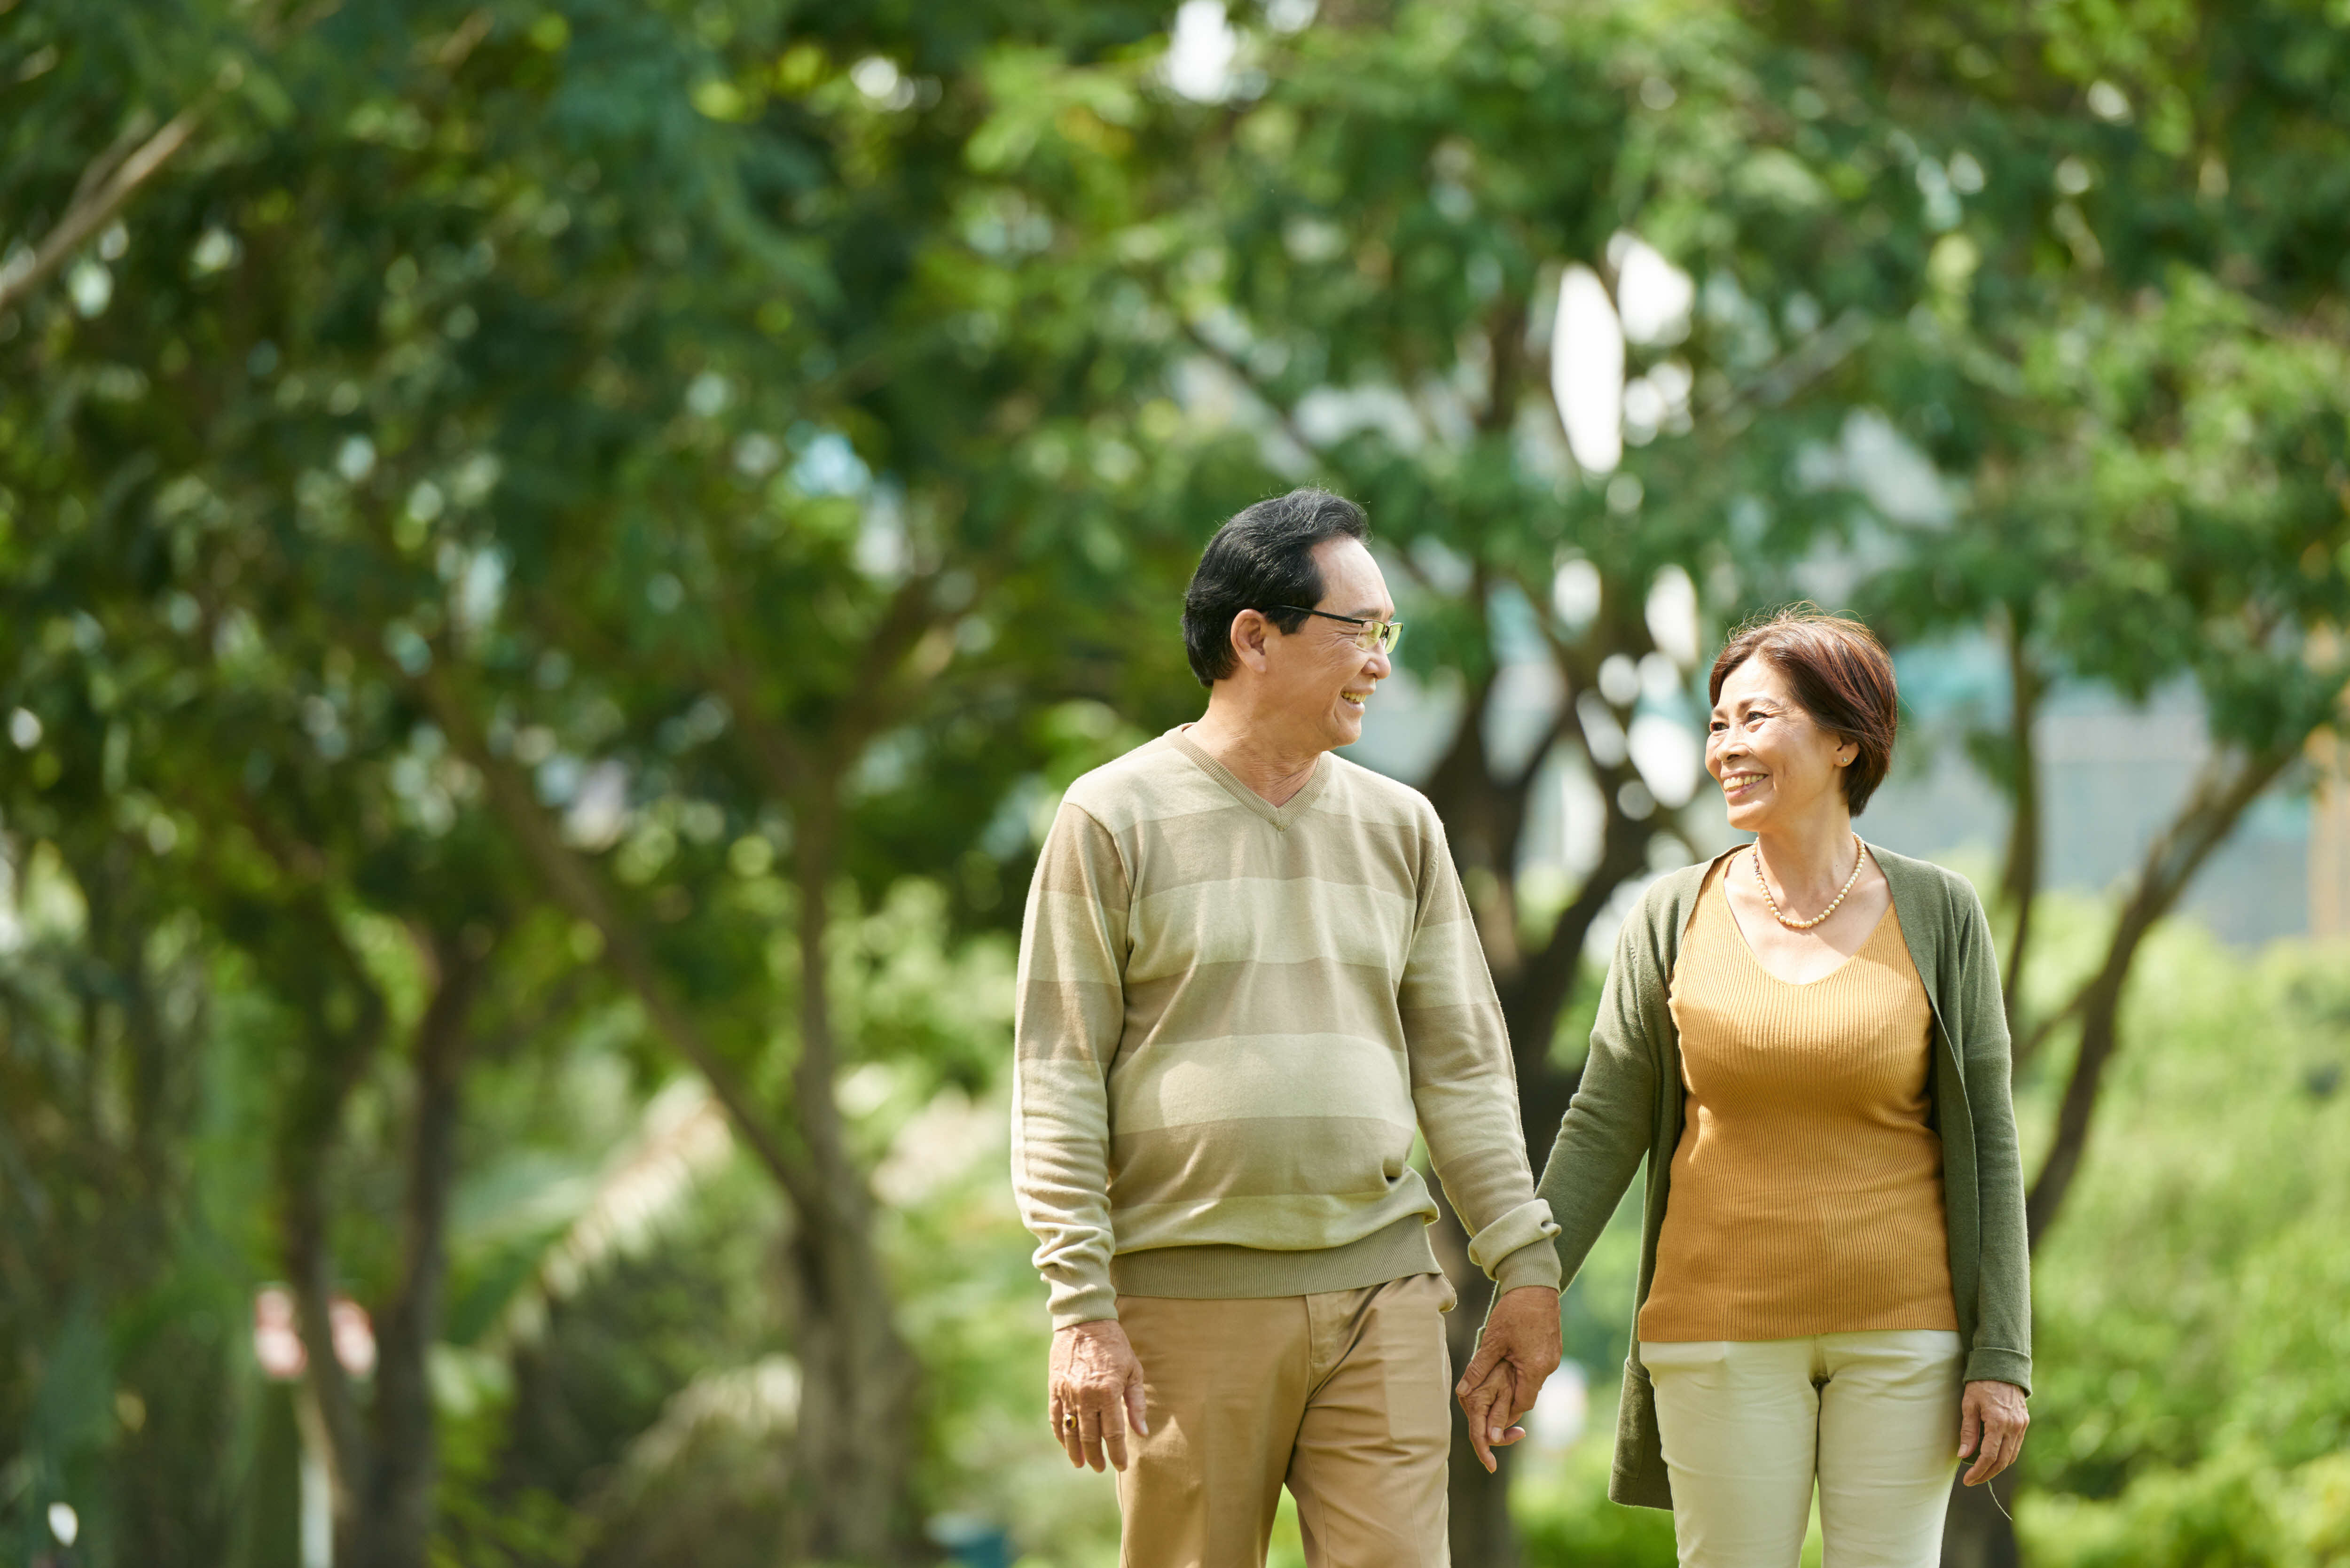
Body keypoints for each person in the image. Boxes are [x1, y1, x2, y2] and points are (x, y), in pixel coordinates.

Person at [1011, 487, 1565, 1568]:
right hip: (1183, 1301)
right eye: (1359, 631)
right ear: (1253, 637)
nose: (1381, 663)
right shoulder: (1108, 817)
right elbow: (1058, 1074)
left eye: (1387, 632)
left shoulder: (1402, 825)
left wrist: (1524, 1264)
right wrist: (1080, 1306)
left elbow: (1462, 1072)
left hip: (1382, 1293)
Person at [1479, 606, 2031, 1567]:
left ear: (1846, 741)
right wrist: (1531, 1280)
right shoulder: (1669, 913)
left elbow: (1987, 1137)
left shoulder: (1940, 911)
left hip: (1904, 1335)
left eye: (1756, 719)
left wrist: (2002, 1358)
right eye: (1716, 724)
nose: (1725, 747)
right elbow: (1605, 1113)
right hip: (1717, 1332)